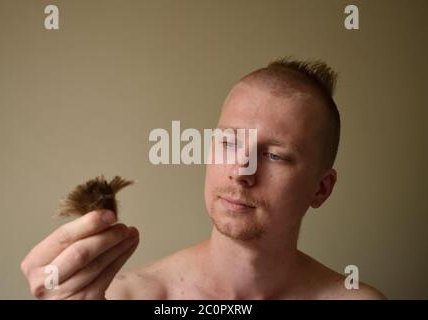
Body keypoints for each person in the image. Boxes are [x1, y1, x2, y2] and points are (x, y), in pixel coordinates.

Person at [21, 57, 386, 299]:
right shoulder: (127, 297)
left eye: (274, 155)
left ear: (321, 189)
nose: (241, 171)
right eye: (228, 143)